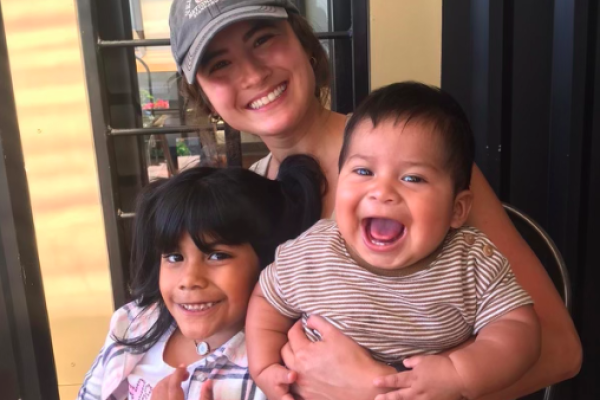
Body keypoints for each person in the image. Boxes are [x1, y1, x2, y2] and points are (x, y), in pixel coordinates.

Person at [168, 1, 581, 398]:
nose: (253, 74)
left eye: (262, 39)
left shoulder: (424, 160)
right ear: (204, 96)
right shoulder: (237, 202)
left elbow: (560, 351)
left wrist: (379, 390)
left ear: (304, 43)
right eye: (219, 64)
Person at [246, 82, 541, 400]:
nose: (382, 191)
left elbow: (519, 328)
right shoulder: (312, 251)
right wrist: (263, 367)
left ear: (457, 209)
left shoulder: (470, 261)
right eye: (363, 171)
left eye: (412, 178)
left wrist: (458, 373)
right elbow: (266, 300)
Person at [76, 155, 325, 400]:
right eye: (174, 257)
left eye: (217, 256)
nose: (189, 279)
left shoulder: (278, 369)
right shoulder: (131, 323)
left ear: (267, 261)